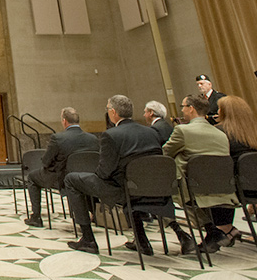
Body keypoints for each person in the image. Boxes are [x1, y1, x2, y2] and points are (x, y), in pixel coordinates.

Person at [63, 95, 180, 256]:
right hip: (154, 188)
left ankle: (88, 239)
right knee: (131, 187)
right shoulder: (152, 133)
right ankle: (141, 240)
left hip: (123, 190)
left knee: (72, 179)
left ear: (113, 112)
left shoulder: (111, 135)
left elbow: (104, 172)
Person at [163, 94, 238, 254]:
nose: (182, 110)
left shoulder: (182, 130)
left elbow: (165, 153)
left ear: (191, 108)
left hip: (190, 189)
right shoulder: (220, 134)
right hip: (221, 187)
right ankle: (212, 231)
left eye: (183, 106)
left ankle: (182, 234)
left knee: (159, 192)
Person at [24, 107, 98, 228]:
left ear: (64, 121)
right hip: (87, 178)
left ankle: (36, 217)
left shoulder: (58, 138)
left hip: (61, 179)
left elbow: (46, 161)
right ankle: (93, 215)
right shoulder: (93, 139)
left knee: (32, 177)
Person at [216, 95, 257, 244]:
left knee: (214, 181)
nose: (216, 111)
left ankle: (225, 227)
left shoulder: (222, 132)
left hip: (238, 187)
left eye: (219, 109)